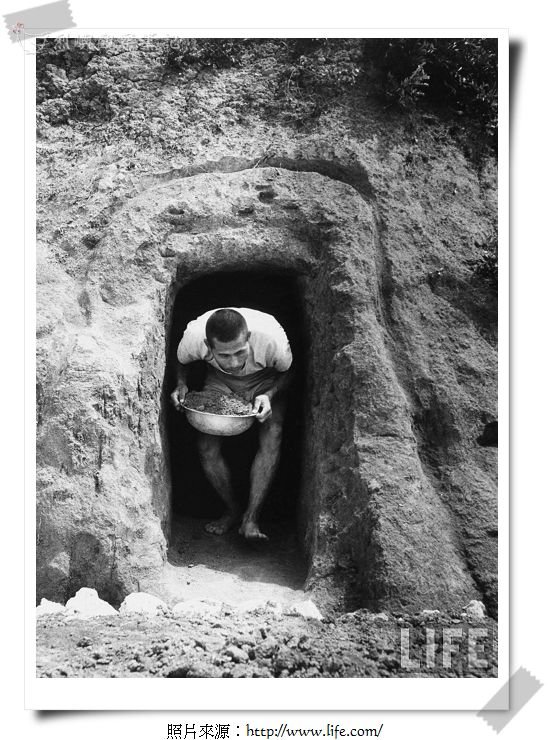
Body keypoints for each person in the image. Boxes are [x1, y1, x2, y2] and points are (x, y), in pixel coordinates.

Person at [170, 307, 293, 540]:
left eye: (239, 352)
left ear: (248, 338)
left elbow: (287, 370)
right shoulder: (194, 338)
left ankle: (251, 518)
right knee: (206, 446)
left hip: (264, 380)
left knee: (274, 431)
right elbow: (181, 360)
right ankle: (232, 510)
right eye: (224, 355)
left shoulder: (272, 340)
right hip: (220, 382)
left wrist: (270, 394)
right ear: (208, 344)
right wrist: (181, 383)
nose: (235, 362)